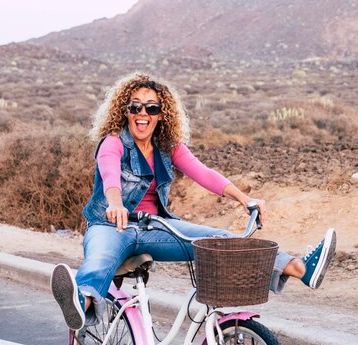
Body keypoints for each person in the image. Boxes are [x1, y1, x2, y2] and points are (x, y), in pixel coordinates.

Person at [50, 72, 336, 330]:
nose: (143, 113)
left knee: (221, 240)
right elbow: (109, 172)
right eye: (135, 106)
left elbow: (203, 173)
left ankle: (298, 268)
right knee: (99, 259)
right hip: (110, 225)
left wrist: (243, 198)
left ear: (162, 115)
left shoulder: (168, 148)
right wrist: (115, 202)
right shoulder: (113, 142)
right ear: (125, 111)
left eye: (152, 107)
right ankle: (81, 301)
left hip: (155, 228)